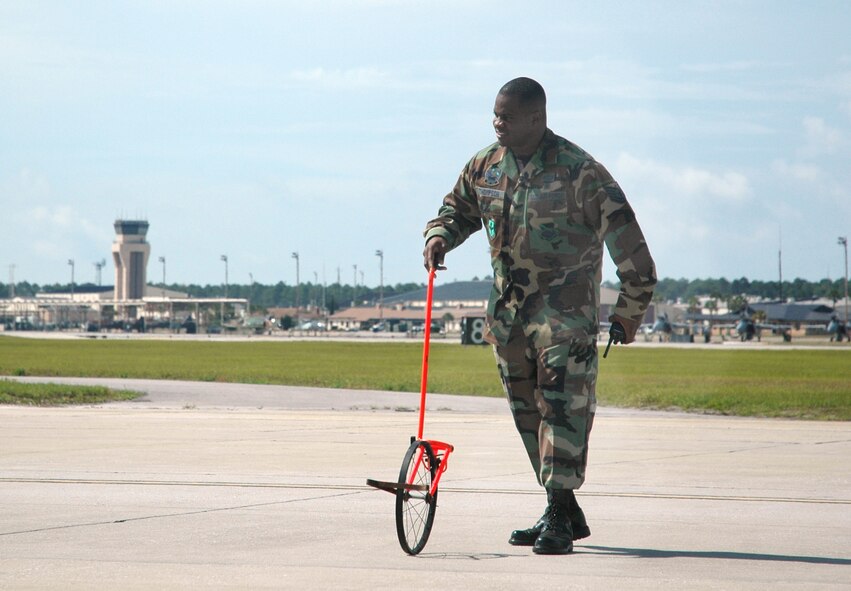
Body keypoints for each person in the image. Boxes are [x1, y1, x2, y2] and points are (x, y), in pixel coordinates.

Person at [422, 77, 656, 555]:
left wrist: (628, 313)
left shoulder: (580, 172)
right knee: (528, 414)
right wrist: (439, 236)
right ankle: (561, 507)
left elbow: (631, 248)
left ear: (536, 118)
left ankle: (558, 512)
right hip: (509, 318)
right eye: (495, 114)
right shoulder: (485, 166)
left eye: (506, 116)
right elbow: (457, 209)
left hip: (565, 317)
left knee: (563, 413)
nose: (497, 123)